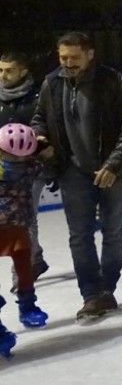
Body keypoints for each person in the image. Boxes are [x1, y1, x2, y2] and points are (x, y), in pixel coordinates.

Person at [31, 32, 122, 319]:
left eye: (74, 57)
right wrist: (41, 139)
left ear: (90, 54)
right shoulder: (52, 83)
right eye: (63, 57)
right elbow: (39, 118)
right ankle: (91, 294)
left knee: (114, 231)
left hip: (113, 171)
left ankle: (107, 289)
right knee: (79, 236)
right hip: (73, 171)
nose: (67, 63)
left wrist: (114, 165)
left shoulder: (114, 82)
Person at [0, 122, 52, 358]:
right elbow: (45, 155)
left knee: (25, 269)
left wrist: (42, 147)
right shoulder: (31, 165)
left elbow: (45, 158)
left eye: (21, 159)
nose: (16, 164)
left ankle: (28, 306)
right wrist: (43, 148)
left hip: (19, 226)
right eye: (11, 158)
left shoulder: (31, 166)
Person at [0, 52, 48, 289]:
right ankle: (35, 257)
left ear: (23, 71)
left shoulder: (37, 97)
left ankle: (22, 272)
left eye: (9, 70)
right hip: (1, 169)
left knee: (25, 217)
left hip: (30, 168)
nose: (3, 75)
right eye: (0, 70)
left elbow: (44, 129)